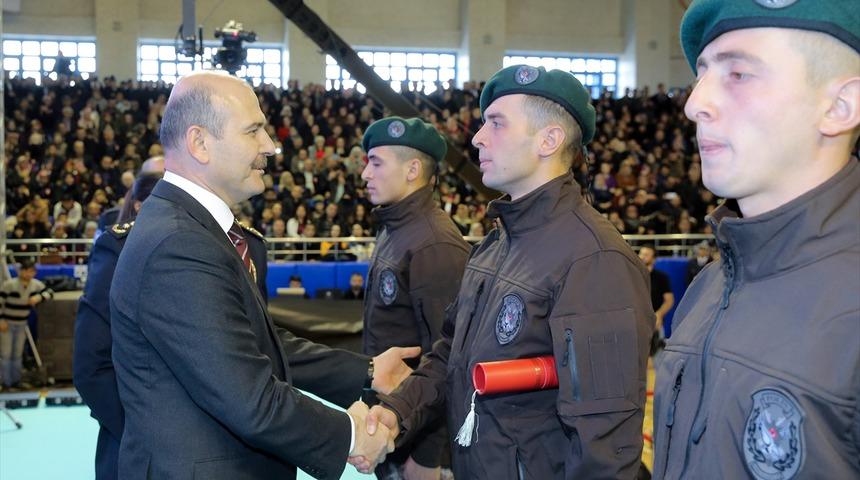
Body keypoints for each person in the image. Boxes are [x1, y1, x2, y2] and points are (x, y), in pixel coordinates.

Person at [356, 65, 654, 479]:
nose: (477, 138)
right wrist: (398, 412)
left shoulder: (594, 259)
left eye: (496, 123)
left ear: (549, 139)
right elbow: (450, 356)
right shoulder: (496, 243)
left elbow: (604, 445)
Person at [109, 71, 395, 480]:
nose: (271, 147)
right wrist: (352, 435)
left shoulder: (194, 230)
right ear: (200, 143)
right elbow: (248, 398)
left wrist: (364, 373)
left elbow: (255, 345)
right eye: (253, 131)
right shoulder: (180, 243)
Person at [653, 2, 860, 479]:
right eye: (702, 74)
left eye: (739, 74)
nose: (693, 103)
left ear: (838, 106)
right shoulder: (708, 288)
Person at [359, 116, 471, 480]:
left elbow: (450, 358)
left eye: (376, 163)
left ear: (412, 170)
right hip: (397, 422)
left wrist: (428, 456)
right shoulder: (397, 229)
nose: (365, 174)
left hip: (419, 442)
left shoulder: (434, 244)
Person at [0, 259, 54, 389]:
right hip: (7, 323)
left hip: (22, 323)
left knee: (17, 354)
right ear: (21, 271)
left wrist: (39, 297)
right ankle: (5, 382)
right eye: (26, 271)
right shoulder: (9, 285)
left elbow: (50, 292)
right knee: (6, 354)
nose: (28, 274)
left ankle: (16, 381)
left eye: (31, 272)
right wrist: (1, 320)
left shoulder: (35, 285)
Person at [638, 244, 674, 354]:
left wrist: (659, 314)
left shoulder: (661, 277)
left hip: (655, 323)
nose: (642, 257)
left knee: (657, 359)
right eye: (641, 254)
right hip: (636, 323)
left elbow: (669, 300)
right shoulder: (632, 275)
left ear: (653, 259)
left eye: (646, 255)